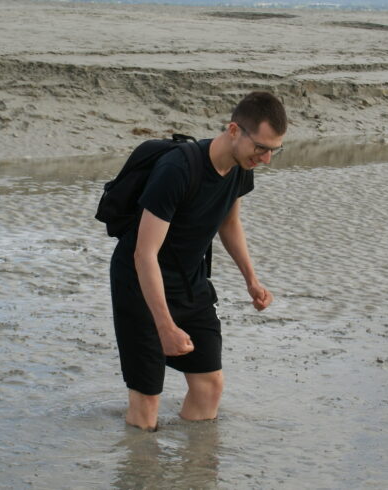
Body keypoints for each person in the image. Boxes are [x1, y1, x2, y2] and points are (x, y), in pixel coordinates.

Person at [109, 91, 286, 430]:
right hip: (141, 284)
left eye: (273, 151)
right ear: (234, 130)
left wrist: (252, 279)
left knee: (209, 385)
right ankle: (143, 472)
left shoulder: (240, 167)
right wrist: (164, 326)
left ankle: (195, 472)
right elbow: (143, 254)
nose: (265, 159)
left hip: (191, 282)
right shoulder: (177, 170)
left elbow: (229, 222)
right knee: (147, 400)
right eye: (261, 148)